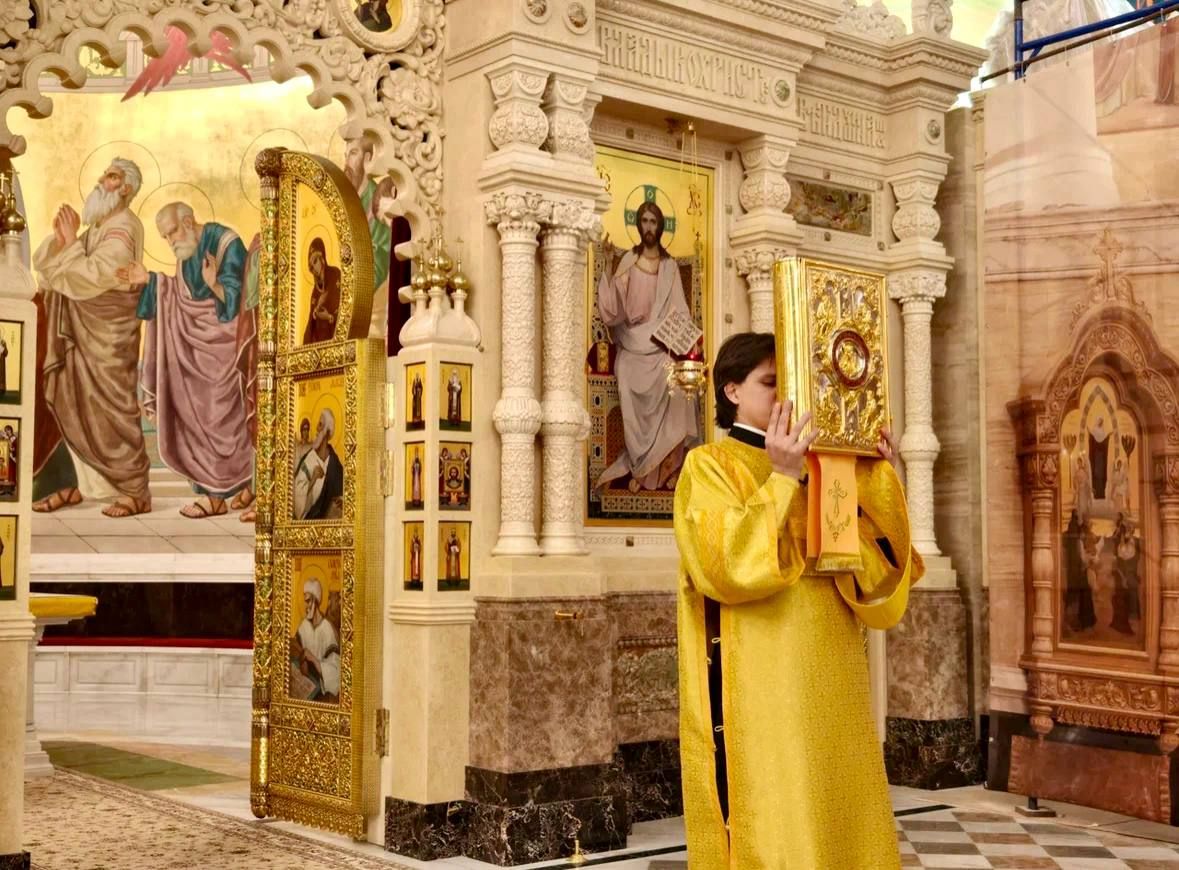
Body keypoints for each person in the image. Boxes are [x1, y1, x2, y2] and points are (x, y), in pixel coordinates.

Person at [673, 332, 923, 868]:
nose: (783, 397)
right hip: (763, 683)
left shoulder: (824, 469)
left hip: (835, 670)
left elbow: (876, 572)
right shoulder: (710, 464)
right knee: (781, 814)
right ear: (732, 391)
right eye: (770, 384)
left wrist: (874, 475)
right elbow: (724, 566)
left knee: (841, 807)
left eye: (789, 385)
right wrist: (784, 477)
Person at [32, 158, 152, 518]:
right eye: (104, 174)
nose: (102, 180)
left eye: (111, 176)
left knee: (111, 408)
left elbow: (93, 277)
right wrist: (61, 242)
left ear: (126, 188)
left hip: (107, 335)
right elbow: (58, 273)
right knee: (70, 400)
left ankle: (134, 490)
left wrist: (70, 244)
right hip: (83, 329)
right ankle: (69, 484)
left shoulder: (124, 228)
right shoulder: (100, 226)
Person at [119, 202, 254, 518]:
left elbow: (239, 304)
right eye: (165, 237)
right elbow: (178, 296)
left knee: (219, 416)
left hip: (225, 350)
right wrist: (149, 280)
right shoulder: (186, 253)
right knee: (194, 414)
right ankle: (214, 491)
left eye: (171, 233)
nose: (170, 241)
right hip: (196, 352)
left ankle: (224, 493)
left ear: (189, 222)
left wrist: (214, 284)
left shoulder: (226, 243)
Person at [597, 201, 698, 493]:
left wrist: (670, 334)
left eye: (654, 222)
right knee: (626, 372)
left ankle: (668, 469)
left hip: (661, 346)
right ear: (638, 225)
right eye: (645, 221)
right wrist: (607, 263)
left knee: (678, 385)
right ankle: (641, 467)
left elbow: (680, 312)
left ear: (660, 226)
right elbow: (612, 311)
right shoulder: (629, 261)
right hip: (632, 344)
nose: (649, 227)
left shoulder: (669, 268)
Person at [290, 577, 340, 702]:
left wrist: (313, 659)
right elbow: (295, 654)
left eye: (308, 601)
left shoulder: (327, 629)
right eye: (305, 601)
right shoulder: (303, 627)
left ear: (316, 600)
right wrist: (301, 659)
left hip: (322, 695)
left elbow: (336, 672)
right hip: (304, 690)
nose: (305, 606)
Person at [292, 409, 344, 519]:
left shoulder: (335, 465)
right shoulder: (308, 460)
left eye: (320, 425)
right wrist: (313, 479)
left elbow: (344, 493)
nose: (316, 428)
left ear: (327, 432)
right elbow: (297, 505)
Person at [302, 238, 341, 345]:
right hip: (320, 343)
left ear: (322, 257)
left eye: (315, 261)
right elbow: (311, 325)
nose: (314, 268)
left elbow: (346, 307)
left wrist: (329, 317)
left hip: (335, 342)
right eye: (311, 267)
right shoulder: (315, 292)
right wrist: (315, 315)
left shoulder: (335, 275)